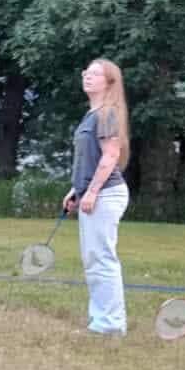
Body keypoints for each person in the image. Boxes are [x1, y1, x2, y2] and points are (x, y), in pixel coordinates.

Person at [64, 58, 131, 336]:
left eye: (94, 74)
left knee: (102, 258)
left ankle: (111, 323)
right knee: (93, 258)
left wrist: (91, 191)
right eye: (85, 72)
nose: (87, 77)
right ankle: (100, 319)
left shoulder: (107, 114)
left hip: (105, 194)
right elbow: (88, 158)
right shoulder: (93, 114)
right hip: (93, 192)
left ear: (109, 82)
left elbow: (111, 155)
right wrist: (76, 190)